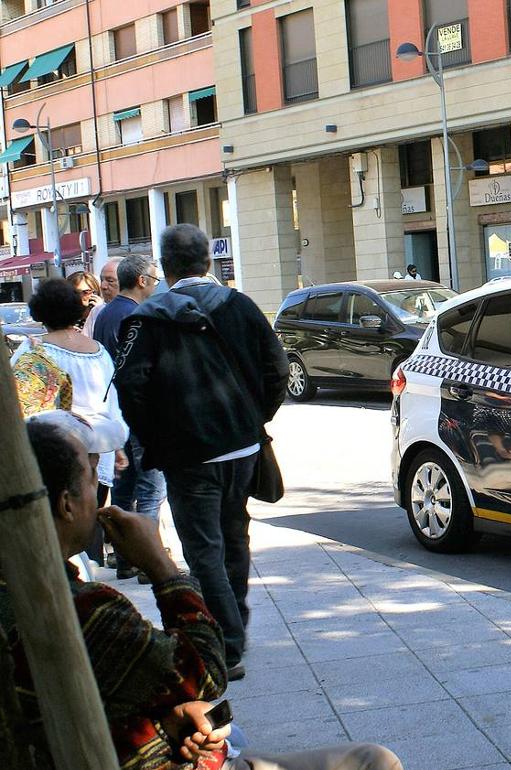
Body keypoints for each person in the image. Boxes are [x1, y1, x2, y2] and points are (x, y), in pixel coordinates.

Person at [4, 414, 402, 770]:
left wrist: (167, 719)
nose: (101, 493)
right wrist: (160, 564)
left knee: (232, 731)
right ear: (66, 505)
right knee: (374, 761)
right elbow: (206, 672)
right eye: (93, 481)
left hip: (150, 740)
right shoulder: (84, 612)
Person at [113, 224, 287, 682]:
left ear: (164, 267)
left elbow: (131, 386)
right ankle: (236, 629)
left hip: (189, 455)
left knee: (204, 548)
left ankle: (228, 645)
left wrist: (155, 439)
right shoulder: (242, 306)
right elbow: (279, 367)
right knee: (234, 537)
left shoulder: (147, 319)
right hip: (243, 447)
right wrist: (255, 418)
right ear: (208, 261)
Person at [10, 278, 129, 526]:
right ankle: (93, 560)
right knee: (90, 514)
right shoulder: (98, 350)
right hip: (98, 446)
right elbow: (112, 402)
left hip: (53, 450)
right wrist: (118, 448)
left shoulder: (34, 352)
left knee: (59, 520)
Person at [95, 255, 167, 581]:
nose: (156, 283)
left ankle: (123, 558)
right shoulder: (138, 316)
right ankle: (148, 561)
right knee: (151, 489)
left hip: (117, 414)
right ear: (141, 280)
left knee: (123, 490)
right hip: (140, 414)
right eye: (154, 278)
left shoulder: (106, 314)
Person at [83, 257, 123, 337]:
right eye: (102, 280)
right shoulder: (97, 312)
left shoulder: (141, 311)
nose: (103, 286)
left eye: (110, 281)